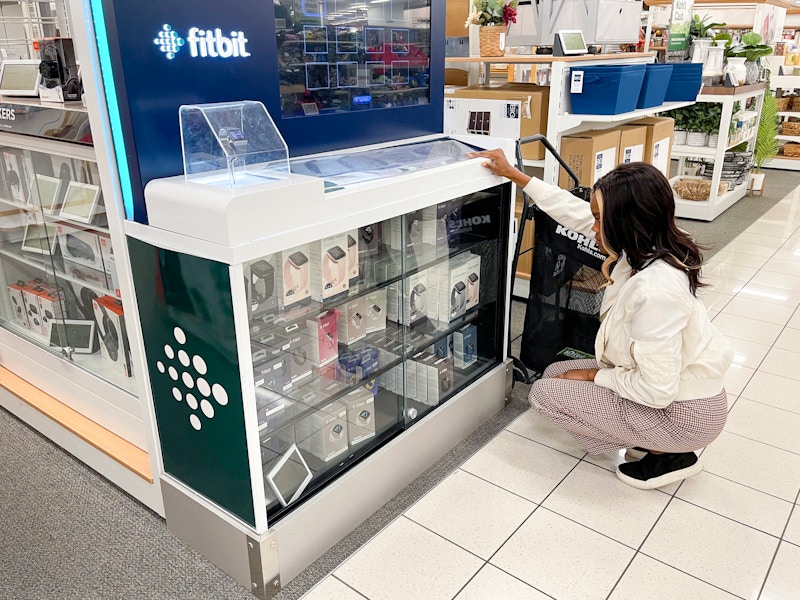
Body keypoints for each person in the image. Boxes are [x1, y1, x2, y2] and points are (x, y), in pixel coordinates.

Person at [468, 148, 733, 490]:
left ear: (624, 222)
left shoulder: (657, 290)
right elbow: (573, 213)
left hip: (683, 414)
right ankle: (644, 436)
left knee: (546, 394)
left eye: (598, 218)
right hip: (678, 392)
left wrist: (594, 375)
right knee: (554, 373)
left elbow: (657, 389)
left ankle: (669, 451)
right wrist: (515, 175)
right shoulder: (646, 248)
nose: (591, 226)